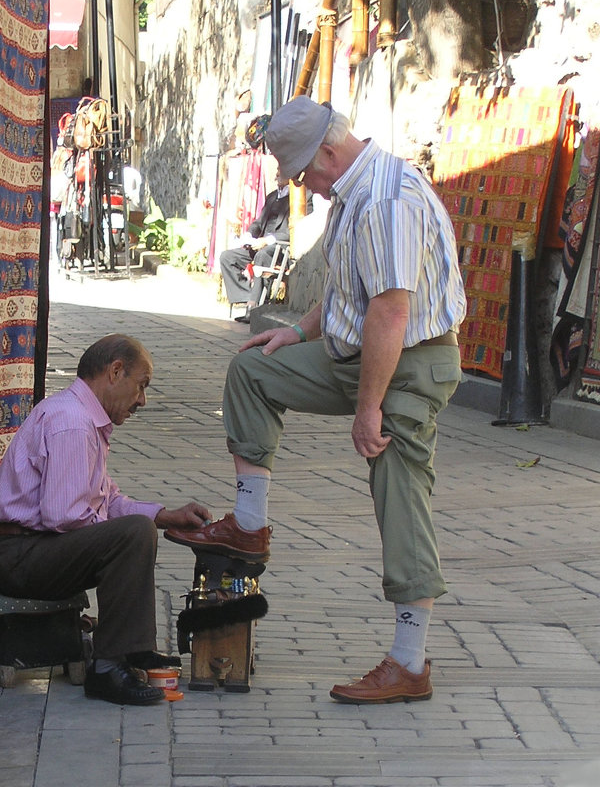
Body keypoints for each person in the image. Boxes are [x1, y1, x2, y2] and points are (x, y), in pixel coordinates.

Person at [166, 96, 466, 704]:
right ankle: (248, 527)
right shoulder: (354, 193)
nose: (305, 186)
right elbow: (347, 294)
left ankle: (409, 662)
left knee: (398, 487)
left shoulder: (386, 198)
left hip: (408, 365)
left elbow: (390, 309)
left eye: (304, 173)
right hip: (359, 352)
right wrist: (297, 332)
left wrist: (368, 407)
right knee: (253, 370)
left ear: (330, 151)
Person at [0, 334, 212, 706]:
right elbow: (64, 516)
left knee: (135, 531)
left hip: (32, 548)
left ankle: (131, 650)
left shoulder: (84, 420)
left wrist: (163, 516)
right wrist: (125, 536)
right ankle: (108, 666)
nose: (142, 401)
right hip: (16, 554)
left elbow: (106, 499)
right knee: (131, 535)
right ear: (116, 371)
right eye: (141, 386)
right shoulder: (72, 422)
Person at [219, 169, 311, 322]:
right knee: (227, 257)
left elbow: (297, 229)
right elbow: (259, 222)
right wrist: (248, 235)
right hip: (260, 245)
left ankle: (253, 306)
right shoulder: (272, 197)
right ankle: (247, 296)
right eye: (275, 171)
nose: (276, 175)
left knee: (263, 255)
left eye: (280, 171)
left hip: (281, 248)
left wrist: (268, 240)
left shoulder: (304, 197)